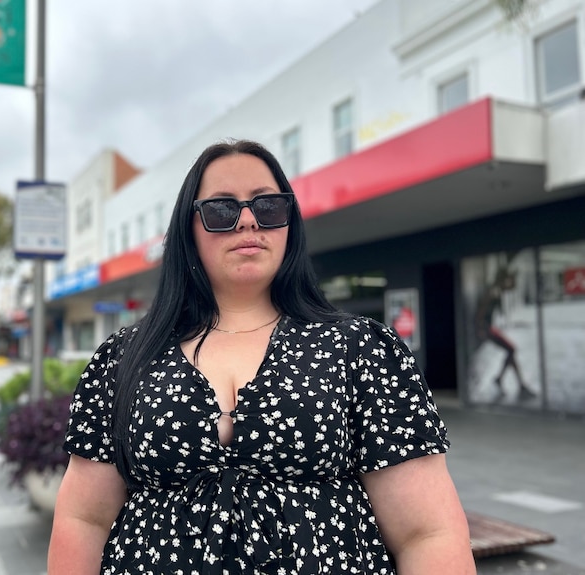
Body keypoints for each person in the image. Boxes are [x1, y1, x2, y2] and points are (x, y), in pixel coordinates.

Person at [47, 140, 475, 574]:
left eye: (269, 206)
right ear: (187, 228)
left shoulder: (362, 349)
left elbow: (427, 533)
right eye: (221, 209)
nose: (248, 220)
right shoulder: (123, 358)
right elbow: (83, 519)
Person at [474, 265, 536, 401]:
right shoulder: (493, 291)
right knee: (511, 350)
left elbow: (511, 287)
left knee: (511, 351)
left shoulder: (497, 290)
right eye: (509, 279)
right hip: (488, 329)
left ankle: (505, 380)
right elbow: (481, 310)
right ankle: (513, 383)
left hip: (490, 328)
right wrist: (481, 329)